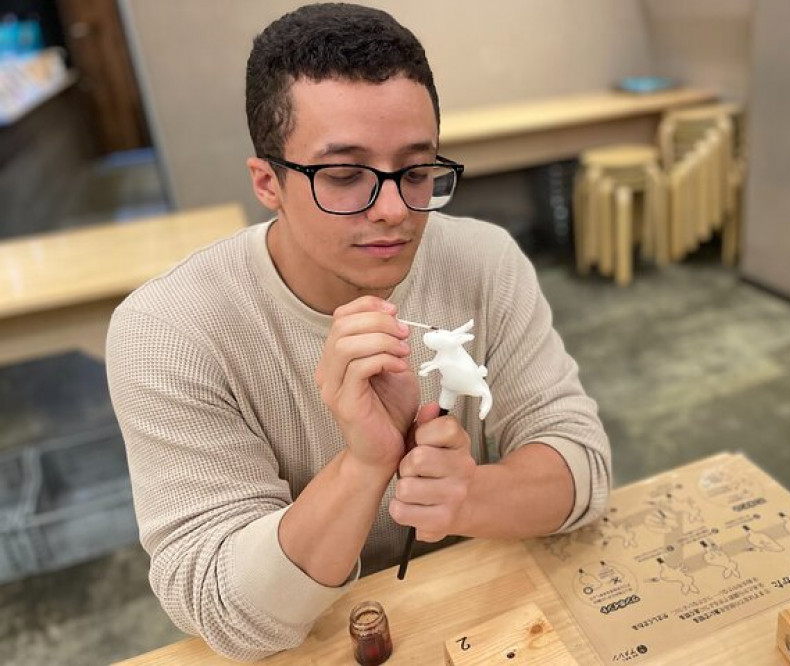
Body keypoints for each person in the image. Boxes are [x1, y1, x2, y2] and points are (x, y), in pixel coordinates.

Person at [106, 3, 611, 661]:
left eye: (417, 169)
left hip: (489, 616)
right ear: (268, 182)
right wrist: (366, 463)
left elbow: (582, 465)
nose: (396, 209)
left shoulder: (483, 261)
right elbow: (221, 609)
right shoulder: (168, 331)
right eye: (344, 176)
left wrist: (468, 494)